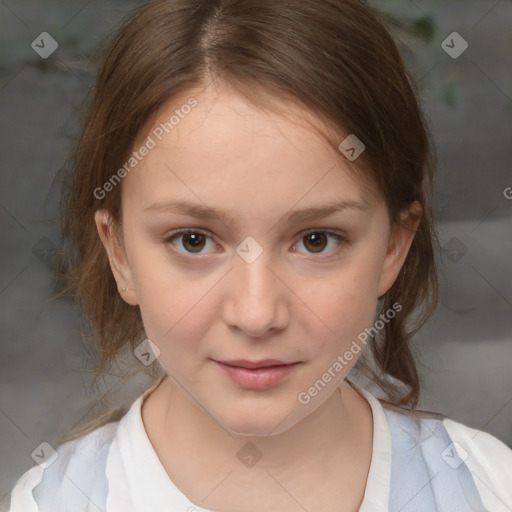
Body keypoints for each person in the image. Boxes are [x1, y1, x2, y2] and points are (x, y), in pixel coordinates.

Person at [3, 0, 512, 510]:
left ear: (393, 247)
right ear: (120, 255)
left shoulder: (491, 487)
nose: (256, 314)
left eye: (316, 240)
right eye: (194, 240)